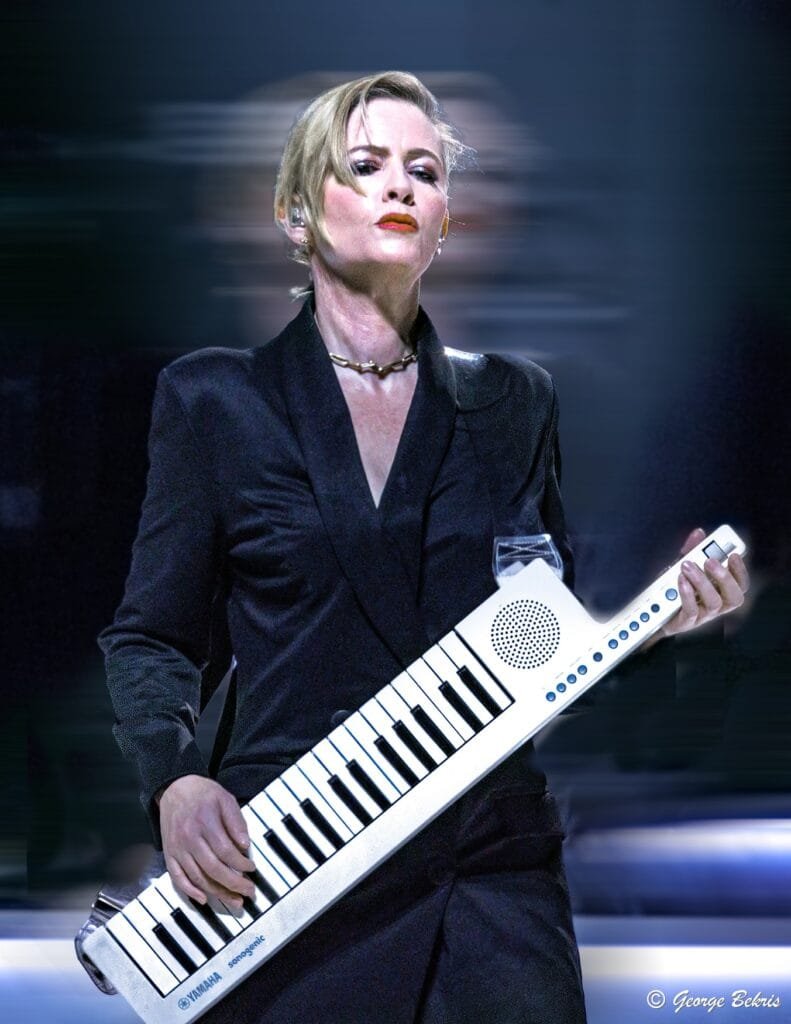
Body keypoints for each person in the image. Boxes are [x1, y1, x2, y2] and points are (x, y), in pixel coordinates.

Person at [99, 71, 749, 1024]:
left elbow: (539, 644)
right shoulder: (215, 399)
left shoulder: (515, 399)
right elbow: (151, 635)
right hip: (294, 865)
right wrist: (177, 780)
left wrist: (660, 622)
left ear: (444, 223)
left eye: (425, 172)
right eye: (364, 166)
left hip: (488, 880)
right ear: (295, 213)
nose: (400, 186)